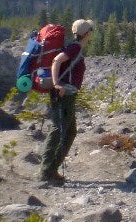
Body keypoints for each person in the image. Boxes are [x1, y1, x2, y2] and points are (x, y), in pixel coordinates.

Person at [39, 19, 93, 182]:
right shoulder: (75, 47)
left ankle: (52, 168)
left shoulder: (75, 47)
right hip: (64, 94)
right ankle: (47, 171)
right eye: (91, 31)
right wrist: (56, 84)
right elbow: (56, 61)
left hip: (68, 94)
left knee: (70, 131)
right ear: (87, 34)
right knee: (58, 129)